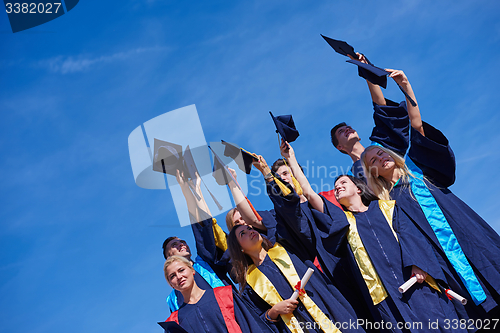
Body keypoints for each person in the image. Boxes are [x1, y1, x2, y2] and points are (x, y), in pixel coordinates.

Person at [360, 69, 500, 322]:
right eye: (374, 159)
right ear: (373, 171)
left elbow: (415, 125)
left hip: (467, 235)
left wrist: (404, 85)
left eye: (381, 153)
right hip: (443, 258)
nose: (381, 156)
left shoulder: (416, 170)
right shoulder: (389, 203)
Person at [227, 224, 365, 333]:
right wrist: (274, 311)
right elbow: (258, 320)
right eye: (242, 233)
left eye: (249, 228)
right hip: (300, 327)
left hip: (326, 310)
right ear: (240, 249)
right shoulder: (250, 284)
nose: (250, 231)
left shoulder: (285, 249)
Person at [330, 53, 411, 181]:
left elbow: (382, 110)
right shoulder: (353, 178)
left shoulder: (380, 146)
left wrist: (367, 70)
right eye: (341, 131)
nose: (347, 129)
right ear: (339, 147)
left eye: (349, 127)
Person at [163, 169, 228, 313]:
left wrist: (188, 189)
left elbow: (201, 227)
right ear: (169, 258)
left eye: (183, 242)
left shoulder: (205, 263)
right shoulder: (174, 299)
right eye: (174, 245)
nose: (182, 244)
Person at [162, 255, 277, 333]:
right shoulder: (175, 321)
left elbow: (251, 325)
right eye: (172, 276)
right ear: (171, 284)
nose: (178, 276)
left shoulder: (224, 295)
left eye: (181, 270)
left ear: (193, 271)